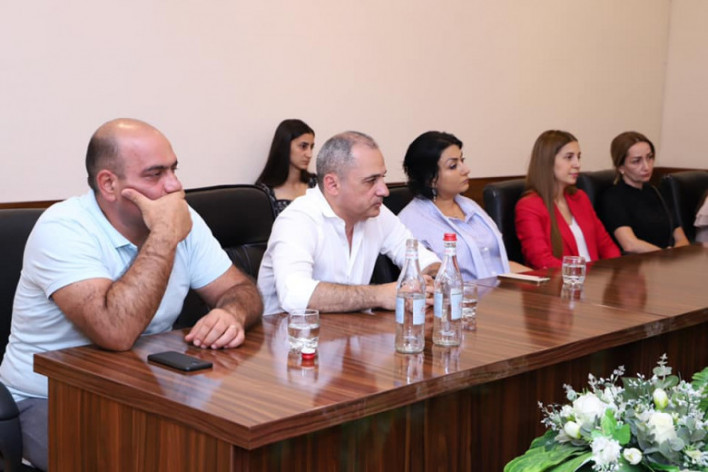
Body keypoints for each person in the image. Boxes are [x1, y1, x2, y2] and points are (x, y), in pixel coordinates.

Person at [0, 118, 263, 470]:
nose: (175, 186)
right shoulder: (63, 228)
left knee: (236, 451)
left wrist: (232, 312)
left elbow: (241, 289)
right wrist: (165, 236)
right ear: (109, 184)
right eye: (155, 174)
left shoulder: (183, 219)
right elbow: (115, 331)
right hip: (48, 398)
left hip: (147, 389)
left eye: (174, 169)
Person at [257, 131, 440, 316]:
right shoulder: (297, 219)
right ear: (332, 184)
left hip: (350, 328)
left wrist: (430, 281)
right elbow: (295, 295)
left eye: (382, 177)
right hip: (285, 331)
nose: (384, 190)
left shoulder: (377, 214)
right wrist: (381, 295)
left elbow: (425, 260)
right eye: (371, 181)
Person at [398, 131, 529, 280]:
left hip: (501, 288)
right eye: (453, 166)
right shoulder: (411, 221)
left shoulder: (470, 206)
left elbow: (498, 264)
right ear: (430, 179)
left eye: (462, 160)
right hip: (462, 293)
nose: (466, 170)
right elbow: (423, 280)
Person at [515, 130, 620, 269]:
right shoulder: (529, 206)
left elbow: (606, 245)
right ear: (548, 162)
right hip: (561, 281)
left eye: (578, 157)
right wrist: (582, 276)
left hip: (596, 278)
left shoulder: (580, 198)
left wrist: (617, 271)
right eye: (569, 157)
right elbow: (541, 259)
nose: (577, 164)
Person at [598, 131, 689, 253]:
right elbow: (630, 244)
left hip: (668, 259)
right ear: (621, 167)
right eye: (636, 161)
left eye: (649, 157)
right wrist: (664, 256)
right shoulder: (613, 197)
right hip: (637, 262)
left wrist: (673, 256)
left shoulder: (657, 191)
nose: (646, 167)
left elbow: (681, 239)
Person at [255, 119, 317, 216]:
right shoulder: (264, 192)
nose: (309, 154)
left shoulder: (316, 184)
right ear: (285, 146)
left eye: (311, 147)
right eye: (303, 146)